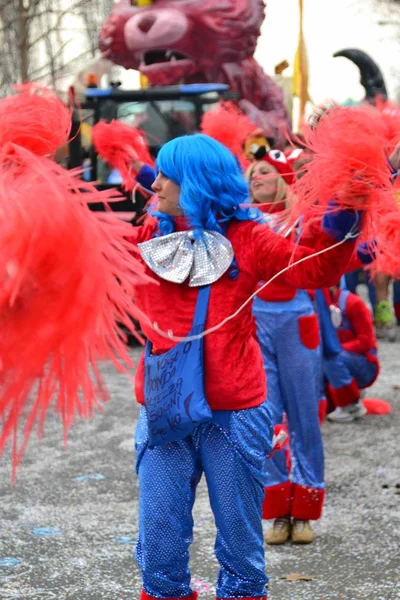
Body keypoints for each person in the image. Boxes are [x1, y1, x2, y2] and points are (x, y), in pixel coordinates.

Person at [126, 134, 360, 600]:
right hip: (163, 404)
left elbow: (310, 268)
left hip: (233, 409)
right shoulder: (148, 233)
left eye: (168, 173)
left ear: (195, 181)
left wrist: (346, 207)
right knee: (158, 540)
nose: (158, 182)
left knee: (239, 541)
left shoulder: (247, 237)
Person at [247, 155, 326, 545]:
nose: (257, 177)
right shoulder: (242, 219)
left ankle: (306, 510)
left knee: (304, 417)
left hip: (297, 319)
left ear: (283, 180)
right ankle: (278, 511)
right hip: (256, 322)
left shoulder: (304, 217)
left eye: (265, 172)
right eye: (252, 174)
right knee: (265, 418)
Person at [324, 282, 380, 423]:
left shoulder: (353, 302)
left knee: (330, 357)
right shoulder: (320, 304)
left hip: (366, 364)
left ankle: (351, 405)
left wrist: (335, 349)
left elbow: (366, 342)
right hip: (341, 358)